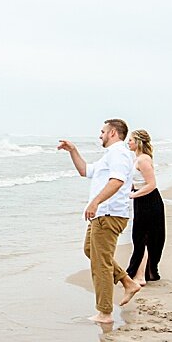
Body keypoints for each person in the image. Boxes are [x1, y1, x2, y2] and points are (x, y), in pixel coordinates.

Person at [58, 119, 143, 324]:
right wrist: (73, 150)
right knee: (91, 251)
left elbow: (117, 181)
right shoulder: (110, 155)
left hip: (108, 215)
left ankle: (104, 313)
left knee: (100, 264)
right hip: (102, 215)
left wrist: (95, 202)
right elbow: (85, 171)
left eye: (102, 131)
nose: (100, 135)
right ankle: (127, 282)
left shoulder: (119, 153)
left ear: (112, 132)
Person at [125, 129, 166, 284]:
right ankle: (142, 273)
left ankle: (141, 275)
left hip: (150, 201)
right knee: (140, 238)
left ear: (138, 142)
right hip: (141, 201)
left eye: (130, 140)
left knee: (143, 238)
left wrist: (133, 195)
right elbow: (136, 182)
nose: (128, 142)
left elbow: (152, 184)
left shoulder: (143, 159)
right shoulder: (137, 159)